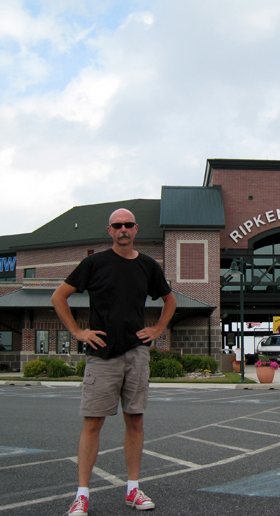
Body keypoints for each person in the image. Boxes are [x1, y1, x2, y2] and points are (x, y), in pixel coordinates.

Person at [51, 208, 177, 515]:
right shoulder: (94, 263)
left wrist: (158, 329)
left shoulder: (148, 266)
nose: (123, 229)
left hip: (136, 353)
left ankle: (133, 489)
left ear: (136, 229)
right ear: (110, 231)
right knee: (92, 423)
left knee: (135, 421)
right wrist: (78, 332)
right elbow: (59, 297)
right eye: (117, 225)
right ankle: (82, 495)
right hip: (101, 355)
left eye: (128, 225)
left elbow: (170, 300)